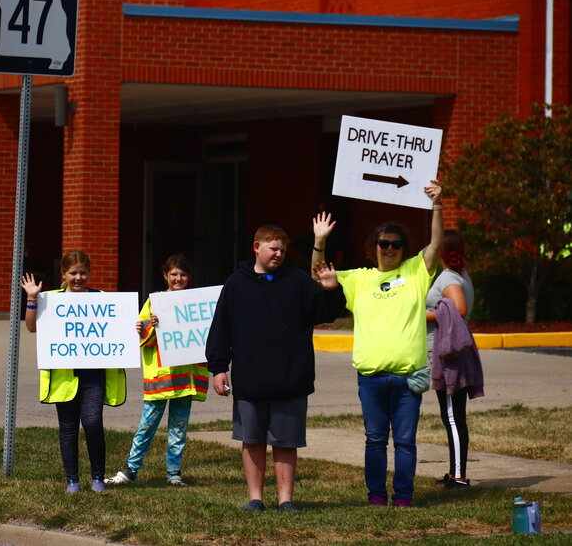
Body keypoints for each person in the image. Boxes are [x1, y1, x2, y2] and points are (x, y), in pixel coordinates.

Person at [311, 180, 444, 508]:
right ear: (375, 246)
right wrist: (319, 241)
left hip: (407, 377)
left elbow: (437, 243)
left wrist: (438, 205)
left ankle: (403, 496)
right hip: (370, 378)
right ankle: (375, 495)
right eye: (384, 243)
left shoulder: (415, 272)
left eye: (396, 244)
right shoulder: (359, 278)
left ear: (403, 248)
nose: (389, 248)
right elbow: (319, 275)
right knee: (374, 441)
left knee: (405, 442)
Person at [206, 224, 345, 512]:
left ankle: (286, 499)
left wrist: (332, 290)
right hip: (249, 380)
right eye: (273, 248)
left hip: (290, 379)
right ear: (257, 247)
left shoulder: (297, 281)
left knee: (285, 442)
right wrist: (219, 368)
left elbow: (325, 314)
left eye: (282, 249)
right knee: (252, 439)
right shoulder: (236, 283)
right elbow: (221, 329)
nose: (279, 254)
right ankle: (255, 498)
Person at [21, 251, 127, 494]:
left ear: (89, 273)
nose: (78, 278)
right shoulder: (50, 299)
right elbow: (31, 326)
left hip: (94, 376)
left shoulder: (101, 298)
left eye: (83, 273)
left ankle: (98, 477)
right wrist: (32, 299)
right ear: (63, 274)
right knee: (68, 428)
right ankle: (72, 481)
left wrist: (134, 325)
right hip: (63, 377)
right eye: (73, 273)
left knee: (92, 423)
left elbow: (117, 327)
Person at [105, 254, 209, 487]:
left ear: (189, 277)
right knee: (147, 424)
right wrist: (148, 326)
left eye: (182, 274)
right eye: (173, 274)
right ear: (165, 275)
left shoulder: (197, 304)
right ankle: (131, 469)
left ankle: (173, 473)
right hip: (161, 377)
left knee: (178, 429)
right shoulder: (154, 302)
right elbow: (142, 339)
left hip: (185, 378)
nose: (178, 278)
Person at [426, 230, 483, 489]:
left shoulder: (450, 277)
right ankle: (454, 471)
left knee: (452, 416)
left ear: (440, 250)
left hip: (450, 355)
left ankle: (459, 476)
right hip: (451, 353)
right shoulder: (459, 274)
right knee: (452, 414)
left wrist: (419, 313)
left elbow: (458, 309)